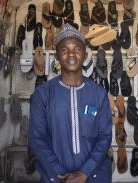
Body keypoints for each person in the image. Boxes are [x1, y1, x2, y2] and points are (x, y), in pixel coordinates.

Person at [29, 23, 112, 183]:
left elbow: (105, 136)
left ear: (85, 54)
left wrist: (84, 173)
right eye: (65, 50)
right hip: (55, 177)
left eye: (77, 49)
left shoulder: (98, 93)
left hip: (95, 176)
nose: (71, 54)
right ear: (57, 56)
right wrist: (60, 174)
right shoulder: (43, 94)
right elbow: (36, 138)